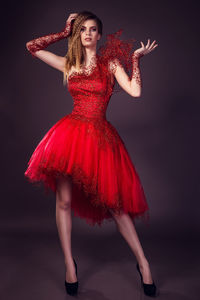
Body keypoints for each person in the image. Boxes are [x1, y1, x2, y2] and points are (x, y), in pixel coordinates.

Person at [24, 11, 158, 297]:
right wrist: (63, 32)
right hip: (69, 138)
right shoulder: (68, 65)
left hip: (99, 139)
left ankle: (144, 264)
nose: (86, 33)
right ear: (78, 34)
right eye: (82, 29)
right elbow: (32, 47)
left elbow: (134, 92)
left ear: (99, 35)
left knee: (117, 206)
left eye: (92, 29)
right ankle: (69, 265)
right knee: (64, 202)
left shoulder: (109, 63)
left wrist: (134, 60)